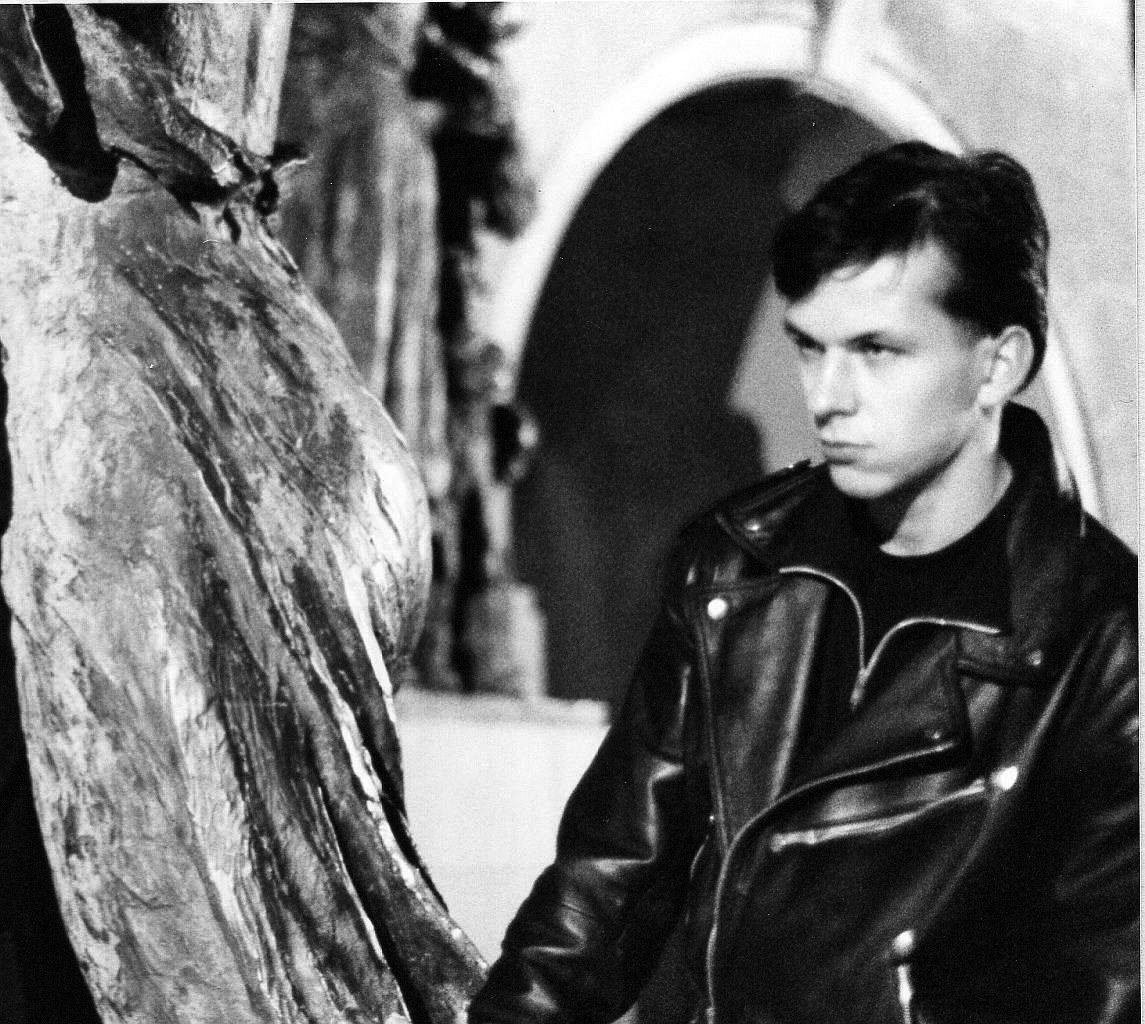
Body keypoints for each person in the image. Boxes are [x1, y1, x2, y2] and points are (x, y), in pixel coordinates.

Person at [467, 142, 1139, 1024]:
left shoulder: (1104, 634)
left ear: (996, 366)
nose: (829, 396)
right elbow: (606, 885)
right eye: (809, 348)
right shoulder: (731, 566)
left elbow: (1109, 985)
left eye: (875, 350)